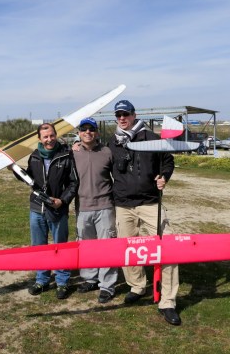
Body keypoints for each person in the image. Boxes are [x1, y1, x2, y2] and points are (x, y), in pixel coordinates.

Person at [108, 99, 181, 326]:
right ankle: (137, 286)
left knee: (168, 247)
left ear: (134, 114)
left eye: (126, 114)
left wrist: (164, 177)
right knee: (128, 249)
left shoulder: (152, 138)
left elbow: (168, 161)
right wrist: (77, 147)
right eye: (119, 115)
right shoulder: (112, 142)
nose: (122, 118)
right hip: (123, 205)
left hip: (150, 203)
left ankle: (167, 301)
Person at [21, 123, 79, 300]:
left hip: (57, 208)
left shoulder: (65, 155)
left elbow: (73, 183)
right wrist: (14, 170)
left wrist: (63, 201)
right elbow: (29, 179)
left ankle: (62, 281)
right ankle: (42, 280)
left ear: (56, 135)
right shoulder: (34, 156)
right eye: (45, 137)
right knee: (39, 247)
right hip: (37, 208)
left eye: (52, 135)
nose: (49, 139)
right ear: (39, 138)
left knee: (60, 247)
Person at [72, 117, 118, 303]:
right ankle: (90, 278)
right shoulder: (73, 153)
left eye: (91, 129)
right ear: (79, 133)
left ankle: (107, 285)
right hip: (83, 207)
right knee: (86, 246)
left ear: (97, 132)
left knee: (107, 247)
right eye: (84, 129)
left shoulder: (107, 152)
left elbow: (119, 175)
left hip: (105, 206)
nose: (88, 132)